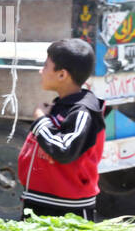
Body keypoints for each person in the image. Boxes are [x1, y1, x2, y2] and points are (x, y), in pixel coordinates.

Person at [17, 38, 106, 220]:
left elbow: (63, 150)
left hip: (66, 210)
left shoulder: (83, 112)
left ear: (62, 75)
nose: (40, 71)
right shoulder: (61, 105)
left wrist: (41, 120)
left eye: (46, 66)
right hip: (40, 200)